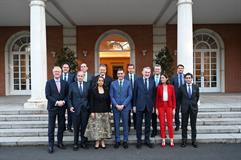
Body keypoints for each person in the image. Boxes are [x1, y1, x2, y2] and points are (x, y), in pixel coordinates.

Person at [45, 66, 69, 153]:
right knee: (51, 127)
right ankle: (50, 145)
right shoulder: (49, 82)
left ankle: (60, 142)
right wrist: (56, 102)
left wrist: (63, 101)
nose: (57, 73)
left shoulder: (65, 83)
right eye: (55, 71)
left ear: (61, 72)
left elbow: (67, 95)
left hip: (62, 108)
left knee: (61, 126)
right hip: (52, 108)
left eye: (58, 71)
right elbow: (48, 95)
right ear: (52, 72)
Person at [85, 76, 112, 149]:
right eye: (99, 80)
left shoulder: (106, 89)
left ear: (103, 82)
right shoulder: (93, 90)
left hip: (105, 111)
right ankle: (97, 142)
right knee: (97, 128)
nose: (101, 82)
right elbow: (91, 101)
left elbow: (108, 102)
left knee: (103, 128)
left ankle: (102, 141)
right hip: (96, 111)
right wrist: (92, 112)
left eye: (102, 81)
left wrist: (109, 111)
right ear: (97, 81)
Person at [133, 67, 156, 149]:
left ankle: (147, 140)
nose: (147, 74)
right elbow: (134, 94)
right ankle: (139, 141)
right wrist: (134, 105)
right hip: (139, 105)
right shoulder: (137, 81)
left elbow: (154, 96)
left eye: (149, 72)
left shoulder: (152, 81)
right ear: (142, 72)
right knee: (138, 124)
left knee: (148, 124)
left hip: (149, 106)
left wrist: (153, 106)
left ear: (150, 73)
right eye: (146, 72)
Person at [110, 68, 132, 149]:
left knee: (125, 124)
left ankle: (125, 140)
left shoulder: (128, 83)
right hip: (116, 107)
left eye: (121, 73)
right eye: (118, 74)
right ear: (117, 75)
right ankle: (117, 140)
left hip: (125, 107)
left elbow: (130, 95)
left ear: (124, 74)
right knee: (116, 124)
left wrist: (123, 105)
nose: (120, 75)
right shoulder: (113, 83)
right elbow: (111, 96)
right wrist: (116, 105)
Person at [68, 71, 90, 150]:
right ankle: (75, 143)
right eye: (79, 76)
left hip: (85, 110)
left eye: (81, 76)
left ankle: (83, 142)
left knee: (84, 127)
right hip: (75, 110)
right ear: (76, 76)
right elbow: (69, 98)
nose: (80, 77)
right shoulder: (72, 85)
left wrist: (89, 107)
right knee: (76, 127)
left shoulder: (87, 85)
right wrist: (70, 106)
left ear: (83, 76)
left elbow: (89, 97)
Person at [156, 74, 176, 148]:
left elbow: (174, 98)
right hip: (161, 106)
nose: (162, 79)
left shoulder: (171, 87)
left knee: (170, 123)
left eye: (163, 78)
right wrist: (156, 108)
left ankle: (171, 139)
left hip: (169, 106)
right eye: (161, 78)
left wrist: (174, 108)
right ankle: (163, 138)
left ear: (167, 79)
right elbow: (157, 99)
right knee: (162, 123)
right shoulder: (158, 87)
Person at [180, 73, 199, 148]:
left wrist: (193, 104)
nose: (188, 79)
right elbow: (179, 98)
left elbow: (197, 97)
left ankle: (193, 141)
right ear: (184, 79)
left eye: (189, 78)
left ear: (192, 79)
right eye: (187, 78)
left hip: (193, 108)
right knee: (184, 125)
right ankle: (184, 140)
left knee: (193, 125)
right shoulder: (181, 87)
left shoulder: (196, 87)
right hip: (184, 108)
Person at [124, 64, 138, 130]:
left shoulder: (137, 77)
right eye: (129, 68)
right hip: (127, 98)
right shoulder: (125, 77)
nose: (130, 70)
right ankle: (128, 126)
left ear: (134, 69)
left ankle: (136, 126)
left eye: (132, 68)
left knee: (136, 112)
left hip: (136, 97)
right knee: (127, 112)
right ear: (127, 69)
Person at [61, 63, 75, 132]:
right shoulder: (59, 76)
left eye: (67, 67)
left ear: (69, 69)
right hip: (61, 98)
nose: (65, 68)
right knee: (61, 114)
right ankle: (63, 127)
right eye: (64, 67)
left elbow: (73, 86)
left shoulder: (72, 76)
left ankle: (69, 127)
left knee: (70, 114)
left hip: (70, 98)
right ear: (62, 68)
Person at [171, 64, 185, 131]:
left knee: (184, 112)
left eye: (182, 68)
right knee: (176, 112)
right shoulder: (173, 77)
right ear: (177, 69)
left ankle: (183, 125)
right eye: (179, 68)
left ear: (183, 69)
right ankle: (177, 125)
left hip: (184, 98)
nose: (180, 69)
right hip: (176, 97)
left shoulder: (186, 77)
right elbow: (171, 87)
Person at [150, 64, 162, 137]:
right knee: (153, 117)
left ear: (160, 70)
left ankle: (162, 131)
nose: (157, 70)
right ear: (154, 70)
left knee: (162, 118)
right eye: (156, 69)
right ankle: (154, 131)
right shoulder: (150, 78)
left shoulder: (163, 78)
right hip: (152, 101)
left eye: (158, 69)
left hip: (161, 101)